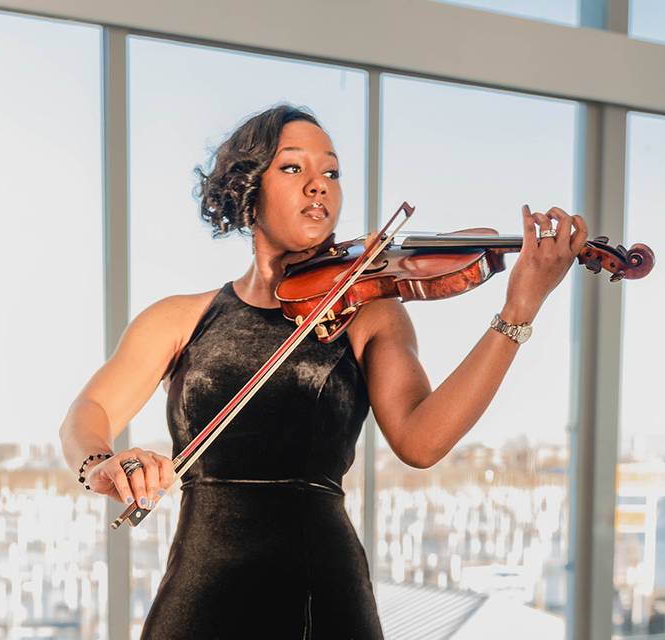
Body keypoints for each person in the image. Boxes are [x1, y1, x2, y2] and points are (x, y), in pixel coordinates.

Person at [59, 104, 588, 638]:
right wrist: (101, 462)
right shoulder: (179, 317)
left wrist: (519, 309)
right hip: (200, 587)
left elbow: (421, 441)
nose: (319, 187)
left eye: (331, 173)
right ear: (248, 189)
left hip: (320, 588)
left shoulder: (371, 311)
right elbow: (88, 412)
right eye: (294, 169)